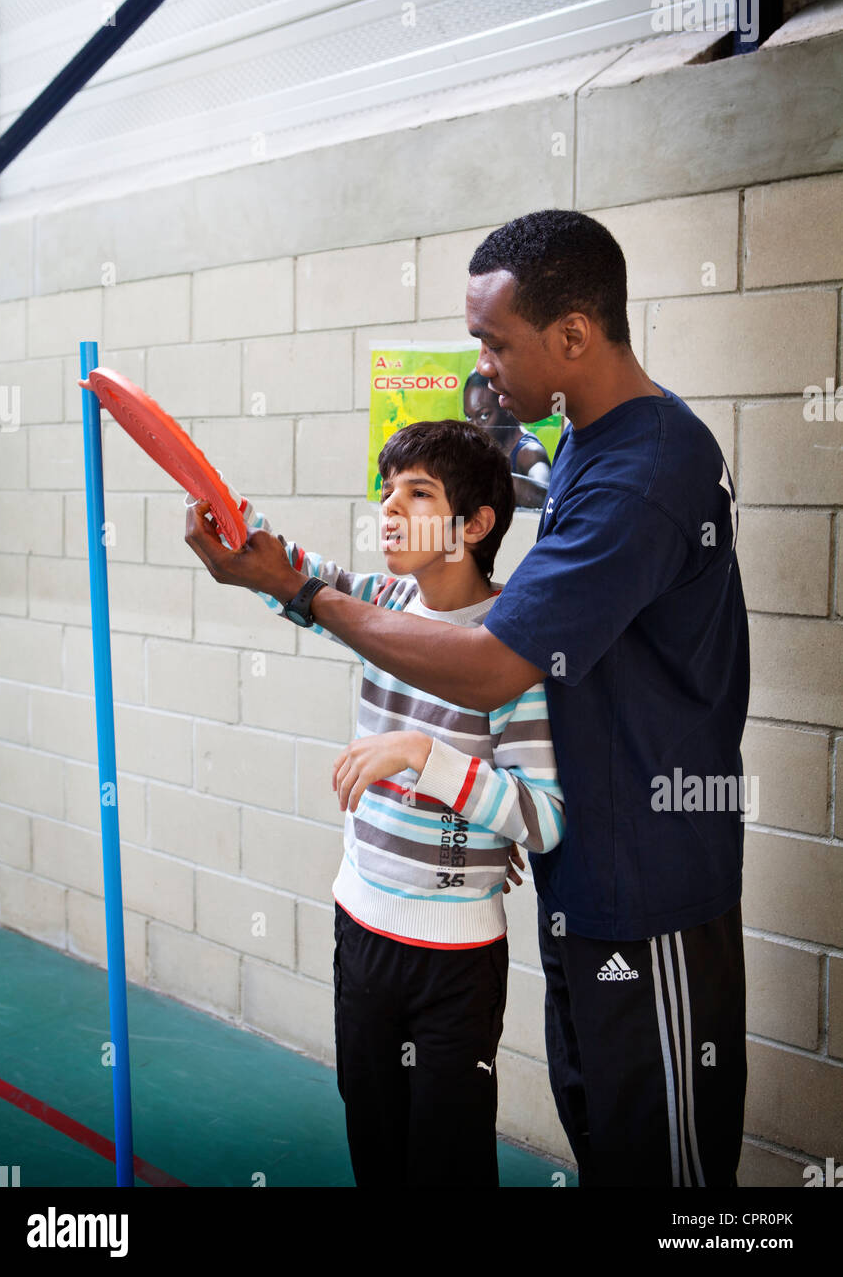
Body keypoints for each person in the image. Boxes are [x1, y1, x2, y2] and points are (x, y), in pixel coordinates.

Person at [186, 208, 749, 1189]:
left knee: (668, 1177)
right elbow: (406, 608)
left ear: (572, 336)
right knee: (607, 1143)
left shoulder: (646, 468)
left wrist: (298, 594)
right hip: (583, 881)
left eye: (494, 341)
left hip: (647, 883)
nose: (480, 365)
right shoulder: (582, 440)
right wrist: (292, 579)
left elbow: (490, 659)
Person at [200, 418, 564, 1188]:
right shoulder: (382, 601)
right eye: (387, 492)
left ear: (474, 525)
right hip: (360, 934)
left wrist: (422, 758)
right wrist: (216, 504)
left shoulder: (509, 648)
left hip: (455, 964)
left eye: (417, 494)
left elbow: (544, 818)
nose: (389, 511)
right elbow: (293, 569)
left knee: (446, 1166)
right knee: (378, 1154)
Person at [463, 370, 549, 508]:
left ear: (507, 408)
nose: (475, 427)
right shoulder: (484, 446)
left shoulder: (530, 451)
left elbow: (545, 497)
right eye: (469, 417)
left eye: (484, 416)